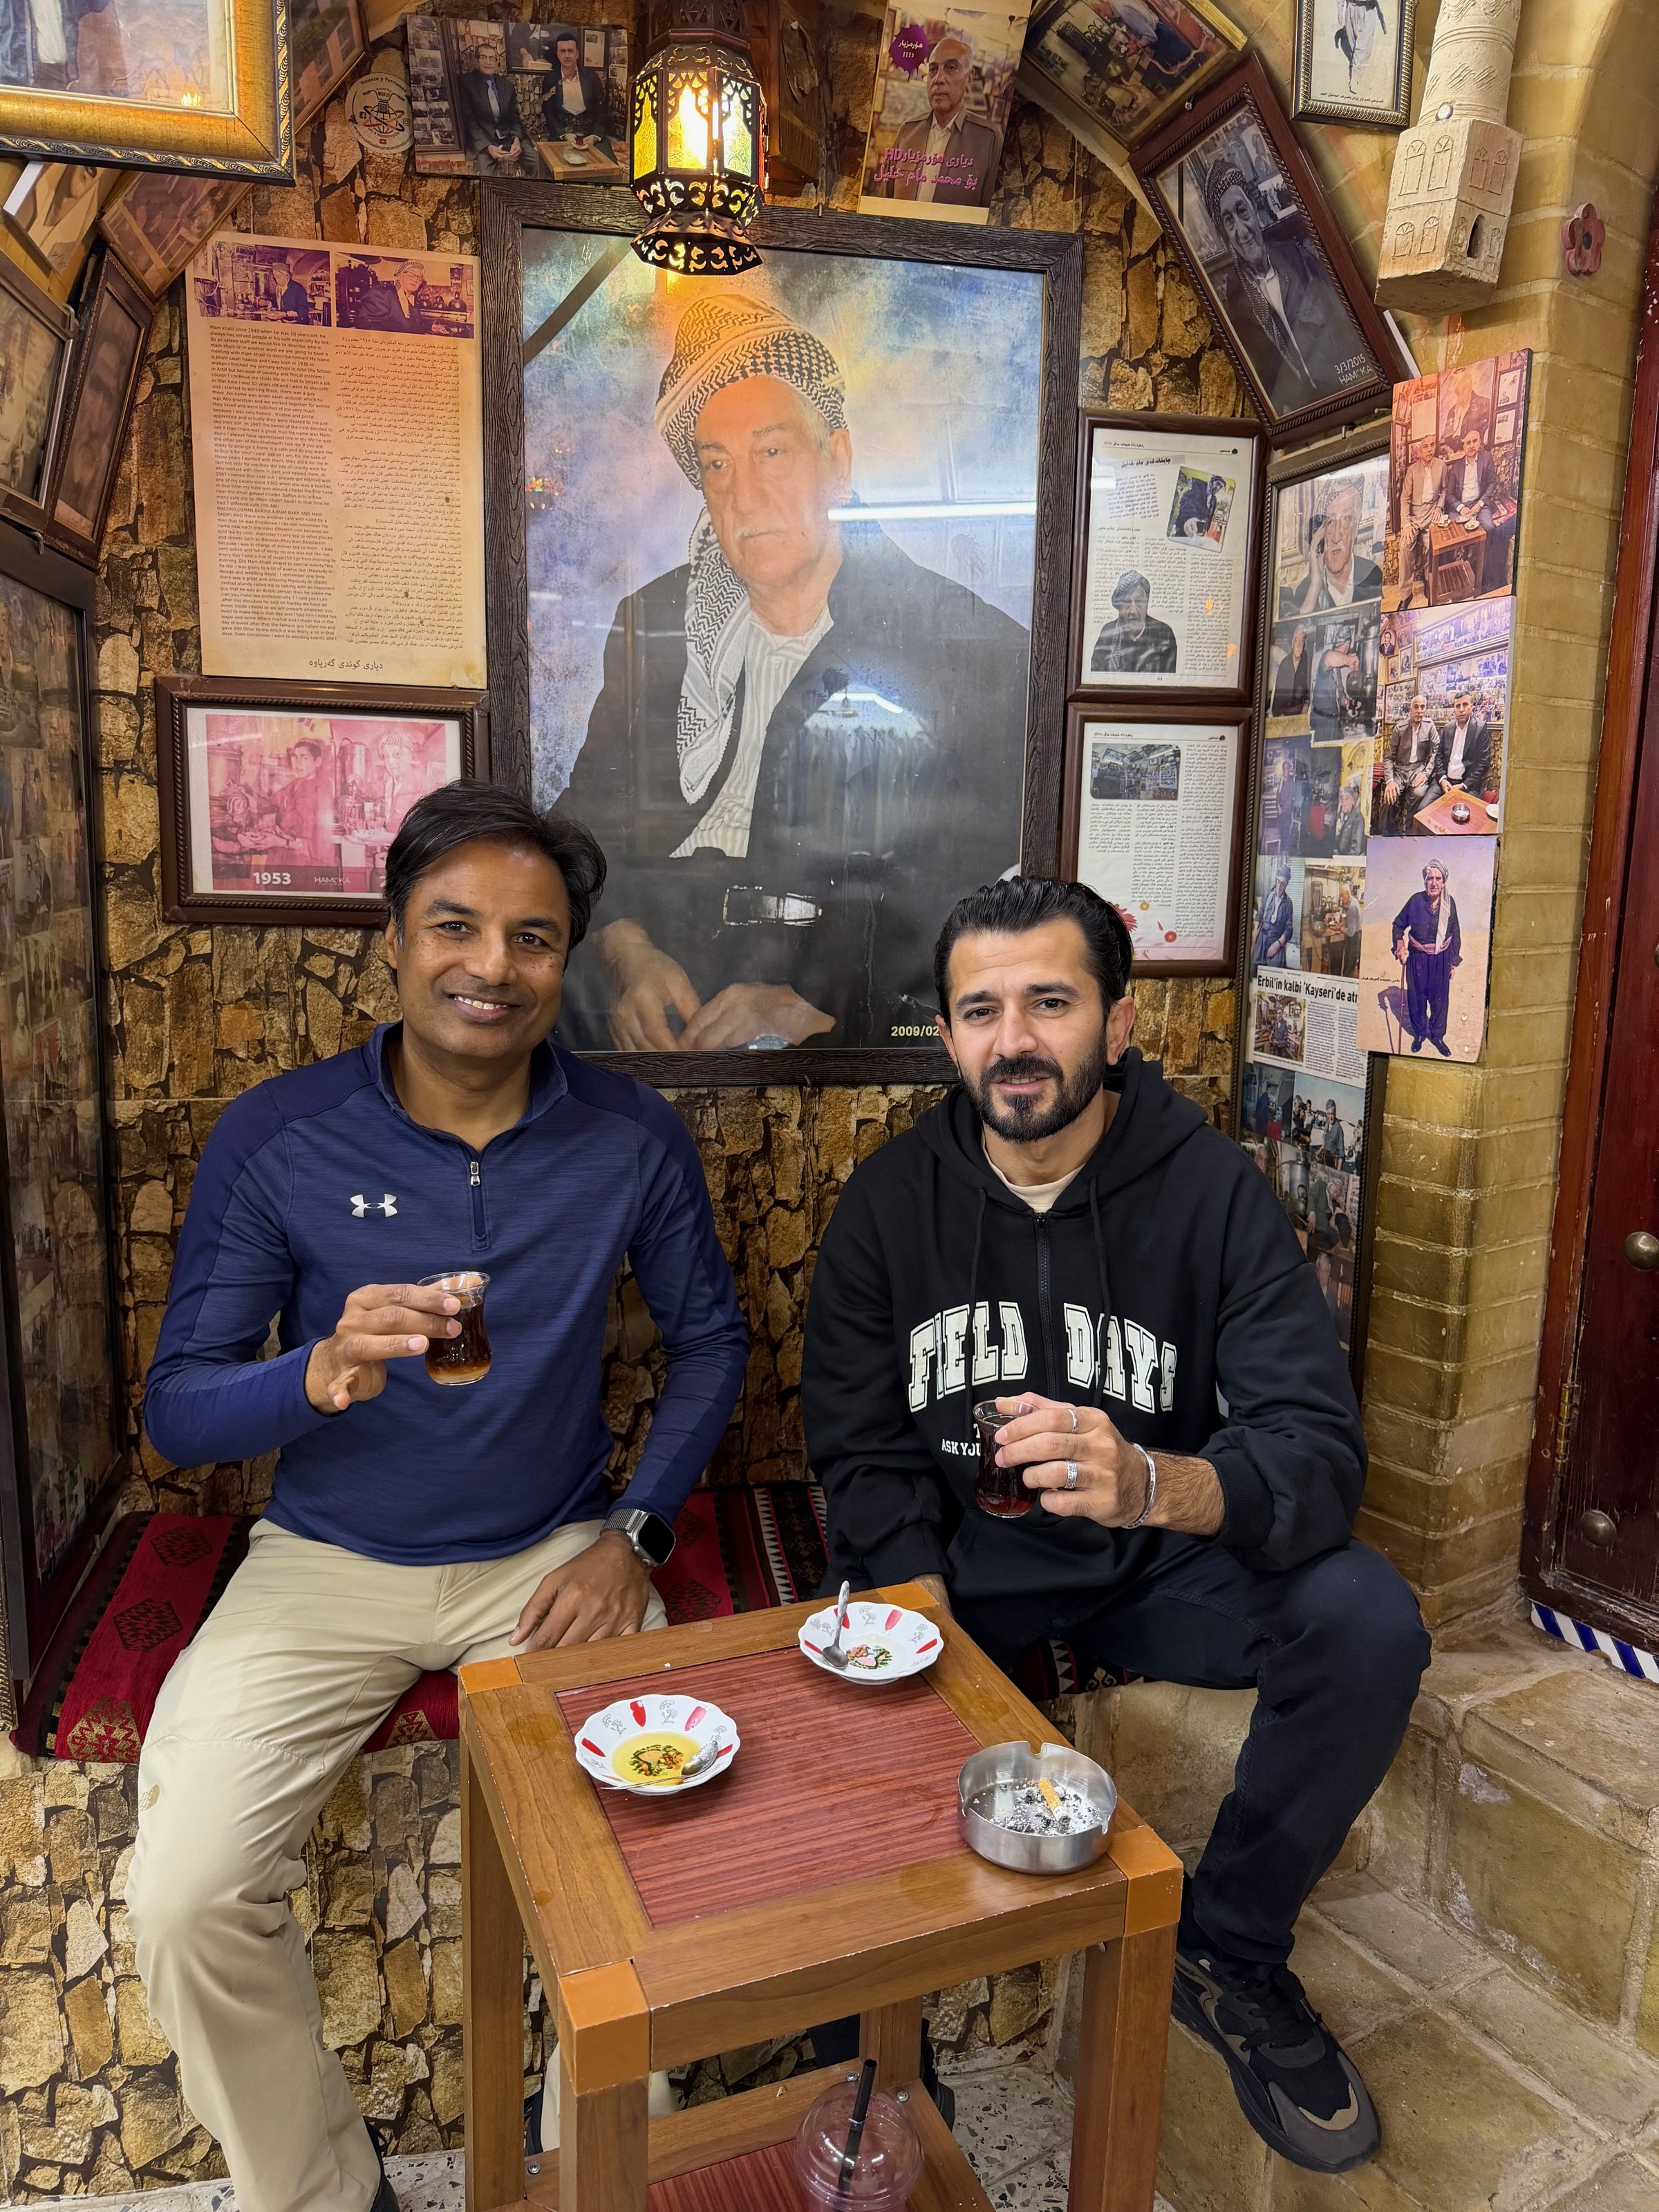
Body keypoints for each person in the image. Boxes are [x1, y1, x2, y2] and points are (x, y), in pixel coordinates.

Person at [126, 784, 749, 2212]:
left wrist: (632, 1534)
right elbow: (179, 1406)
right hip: (325, 1562)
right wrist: (319, 1374)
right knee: (186, 1893)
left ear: (566, 963)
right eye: (454, 925)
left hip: (548, 1555)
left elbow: (711, 1339)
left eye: (534, 938)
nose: (492, 963)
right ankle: (324, 2192)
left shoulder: (628, 1134)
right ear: (391, 942)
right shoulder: (281, 1136)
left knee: (642, 1866)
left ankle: (593, 2167)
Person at [801, 876, 1428, 2174]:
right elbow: (857, 1449)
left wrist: (1157, 1484)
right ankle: (878, 2048)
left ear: (1119, 1025)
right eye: (981, 1009)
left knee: (1367, 1619)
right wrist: (919, 1617)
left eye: (1050, 1002)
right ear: (948, 1032)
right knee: (839, 1683)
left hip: (1159, 1568)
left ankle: (1232, 1950)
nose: (1014, 1039)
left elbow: (1315, 1450)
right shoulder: (890, 1205)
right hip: (969, 1577)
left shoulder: (1213, 1193)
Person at [555, 292, 1030, 1052]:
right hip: (652, 995)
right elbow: (579, 831)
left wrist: (815, 1001)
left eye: (772, 451)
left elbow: (961, 893)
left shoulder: (968, 649)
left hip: (837, 1013)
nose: (745, 495)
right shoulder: (657, 624)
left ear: (836, 461)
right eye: (717, 464)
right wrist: (627, 957)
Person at [1201, 162, 1363, 417]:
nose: (1242, 231)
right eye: (1228, 221)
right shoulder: (1237, 298)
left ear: (1254, 209)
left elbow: (1345, 323)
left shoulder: (1296, 258)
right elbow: (1266, 379)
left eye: (1242, 212)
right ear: (1224, 233)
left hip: (1348, 392)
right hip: (1307, 414)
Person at [871, 32, 1002, 207]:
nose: (938, 79)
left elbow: (989, 215)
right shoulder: (908, 132)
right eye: (933, 70)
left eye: (951, 68)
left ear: (969, 78)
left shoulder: (989, 139)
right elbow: (883, 202)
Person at [1283, 477, 1382, 615]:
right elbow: (1297, 633)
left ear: (1357, 523)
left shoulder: (1372, 575)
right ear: (1320, 533)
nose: (1336, 537)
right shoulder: (1307, 590)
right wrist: (1316, 585)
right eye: (1330, 522)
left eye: (1346, 519)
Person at [1392, 857, 1461, 1054]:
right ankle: (1420, 1033)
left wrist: (1453, 962)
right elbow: (1398, 925)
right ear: (1425, 881)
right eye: (1430, 878)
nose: (1434, 883)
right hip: (1418, 959)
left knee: (1440, 1000)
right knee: (1417, 997)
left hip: (1441, 959)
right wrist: (1400, 944)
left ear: (1444, 882)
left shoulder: (1450, 904)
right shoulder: (1415, 901)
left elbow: (1455, 932)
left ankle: (1437, 1036)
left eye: (1438, 879)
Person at [1089, 569, 1177, 675]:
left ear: (1147, 602)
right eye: (1127, 602)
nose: (1133, 611)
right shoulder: (1108, 634)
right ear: (1119, 606)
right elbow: (1096, 678)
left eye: (1139, 601)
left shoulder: (1164, 634)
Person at [458, 35, 524, 165]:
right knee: (487, 172)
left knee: (535, 160)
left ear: (496, 62)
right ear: (476, 61)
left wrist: (516, 140)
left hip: (508, 137)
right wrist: (488, 147)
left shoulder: (507, 86)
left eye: (492, 58)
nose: (488, 62)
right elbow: (470, 122)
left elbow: (514, 117)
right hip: (484, 141)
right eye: (483, 57)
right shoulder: (466, 83)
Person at [1377, 694, 1438, 834]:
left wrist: (1426, 773)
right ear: (1410, 710)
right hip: (1400, 770)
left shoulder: (1430, 726)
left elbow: (1436, 751)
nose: (1419, 711)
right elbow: (1388, 758)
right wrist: (1390, 781)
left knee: (1419, 793)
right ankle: (1387, 835)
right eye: (1416, 707)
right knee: (1389, 797)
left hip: (1418, 770)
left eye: (1422, 707)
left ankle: (1410, 833)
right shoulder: (1400, 728)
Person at [1395, 437, 1445, 606]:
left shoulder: (1441, 466)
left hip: (1432, 514)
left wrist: (1439, 507)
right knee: (1405, 547)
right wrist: (1406, 524)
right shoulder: (1412, 470)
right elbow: (1404, 500)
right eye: (1426, 446)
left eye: (1432, 445)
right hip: (1415, 517)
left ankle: (1427, 581)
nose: (1430, 449)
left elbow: (1444, 490)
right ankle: (1405, 595)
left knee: (1430, 545)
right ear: (1420, 450)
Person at [1432, 687, 1494, 800]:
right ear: (1454, 709)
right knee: (1422, 809)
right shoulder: (1447, 729)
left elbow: (1483, 762)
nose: (1461, 709)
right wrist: (1442, 779)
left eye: (1465, 705)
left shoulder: (1479, 728)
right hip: (1444, 780)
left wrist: (1464, 785)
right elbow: (1439, 757)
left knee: (1462, 815)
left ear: (1471, 707)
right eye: (1458, 706)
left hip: (1467, 785)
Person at [543, 28, 606, 137]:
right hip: (563, 134)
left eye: (570, 51)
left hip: (590, 134)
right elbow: (549, 113)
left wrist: (595, 136)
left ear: (577, 54)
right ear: (558, 54)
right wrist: (564, 134)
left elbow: (602, 110)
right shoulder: (551, 79)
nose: (567, 55)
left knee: (605, 155)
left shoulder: (591, 76)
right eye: (563, 51)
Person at [349, 258, 432, 335]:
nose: (415, 280)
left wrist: (430, 327)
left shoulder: (412, 298)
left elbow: (415, 324)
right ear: (399, 276)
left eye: (420, 277)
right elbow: (366, 327)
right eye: (411, 274)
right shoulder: (380, 294)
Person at [1309, 626, 1360, 747]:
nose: (1346, 650)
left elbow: (1340, 697)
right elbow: (1330, 657)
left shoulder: (1337, 670)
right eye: (1345, 646)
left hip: (1333, 722)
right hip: (1322, 723)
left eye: (1348, 647)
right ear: (1339, 643)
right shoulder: (1326, 659)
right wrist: (1350, 660)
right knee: (1322, 759)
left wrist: (1347, 704)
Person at [1252, 863, 1295, 967]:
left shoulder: (1288, 904)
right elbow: (1260, 914)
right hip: (1263, 937)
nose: (1279, 887)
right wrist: (1255, 933)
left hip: (1276, 940)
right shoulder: (1269, 895)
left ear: (1287, 885)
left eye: (1283, 884)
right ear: (1276, 880)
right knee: (1253, 967)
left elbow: (1289, 931)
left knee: (1275, 970)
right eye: (1278, 882)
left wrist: (1278, 944)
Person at [1270, 626, 1311, 718]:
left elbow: (1309, 689)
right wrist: (1280, 715)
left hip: (1302, 711)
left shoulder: (1307, 662)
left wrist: (1306, 705)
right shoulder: (1285, 665)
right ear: (1292, 642)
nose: (1299, 645)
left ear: (1304, 644)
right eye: (1296, 640)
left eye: (1302, 641)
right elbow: (1278, 696)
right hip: (1285, 713)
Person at [1174, 471, 1226, 539]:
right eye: (1218, 483)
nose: (1218, 488)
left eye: (1221, 487)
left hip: (1199, 532)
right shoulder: (1197, 485)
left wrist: (1204, 529)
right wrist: (1192, 518)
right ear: (1211, 480)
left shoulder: (1214, 500)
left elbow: (1209, 517)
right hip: (1185, 528)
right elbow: (1186, 501)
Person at [269, 258, 311, 325]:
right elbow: (280, 303)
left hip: (298, 325)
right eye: (275, 277)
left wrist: (284, 314)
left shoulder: (298, 289)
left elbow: (303, 311)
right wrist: (267, 303)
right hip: (285, 323)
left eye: (279, 277)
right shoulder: (278, 287)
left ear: (287, 276)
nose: (277, 280)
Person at [1333, 780, 1365, 857]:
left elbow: (1355, 848)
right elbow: (1340, 837)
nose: (1344, 803)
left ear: (1352, 800)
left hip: (1351, 859)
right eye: (1342, 800)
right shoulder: (1345, 815)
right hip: (1342, 855)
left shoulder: (1357, 817)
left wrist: (1345, 862)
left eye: (1347, 799)